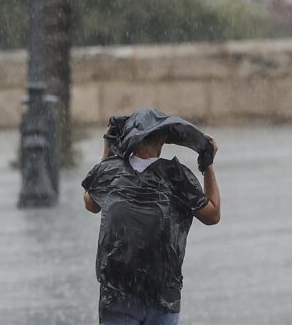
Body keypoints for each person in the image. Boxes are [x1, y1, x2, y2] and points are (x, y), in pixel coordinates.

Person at [82, 110, 221, 325]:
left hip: (118, 297)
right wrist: (207, 164)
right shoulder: (177, 176)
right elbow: (212, 214)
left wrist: (107, 150)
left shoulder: (110, 172)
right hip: (162, 297)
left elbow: (90, 203)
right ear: (163, 139)